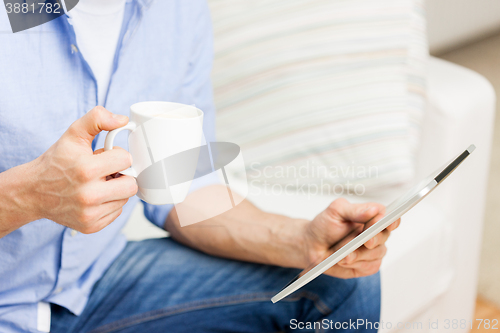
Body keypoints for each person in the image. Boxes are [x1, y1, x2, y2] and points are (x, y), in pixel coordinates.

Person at [0, 0, 400, 332]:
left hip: (91, 285)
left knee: (338, 282)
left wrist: (305, 241)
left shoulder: (177, 10)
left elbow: (187, 186)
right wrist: (27, 196)